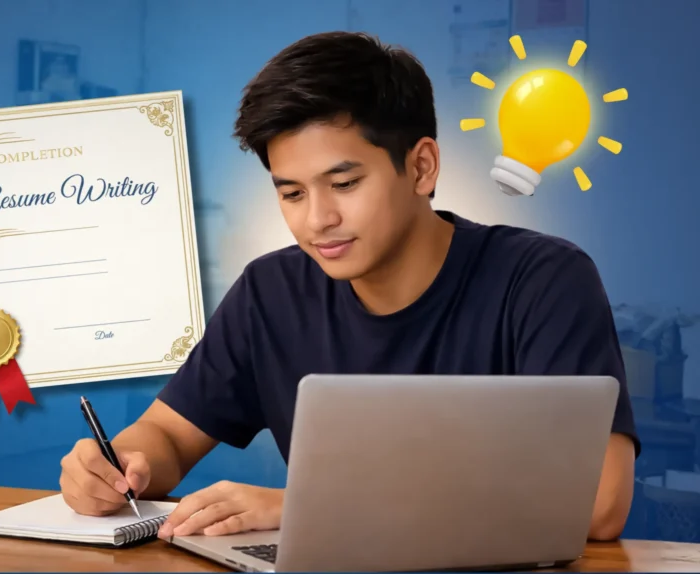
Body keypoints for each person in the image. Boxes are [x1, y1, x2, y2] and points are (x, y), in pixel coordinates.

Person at [58, 31, 638, 542]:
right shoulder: (271, 292)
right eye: (292, 193)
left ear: (421, 167)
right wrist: (118, 467)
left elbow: (600, 502)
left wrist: (311, 511)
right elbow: (167, 434)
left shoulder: (542, 282)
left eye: (344, 182)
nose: (317, 220)